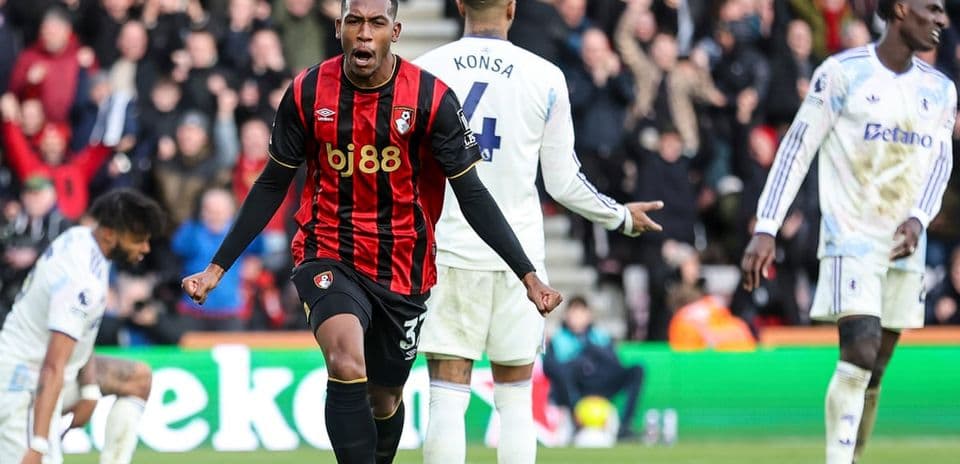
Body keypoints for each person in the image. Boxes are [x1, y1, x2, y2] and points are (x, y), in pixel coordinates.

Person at [180, 0, 562, 462]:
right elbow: (271, 183)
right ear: (339, 28)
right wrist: (219, 266)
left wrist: (527, 274)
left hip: (403, 265)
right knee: (344, 361)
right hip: (328, 250)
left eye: (376, 23)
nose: (364, 33)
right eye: (355, 22)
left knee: (385, 398)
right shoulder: (306, 92)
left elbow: (474, 196)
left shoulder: (430, 98)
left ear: (395, 31)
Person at [412, 1, 662, 462]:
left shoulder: (424, 70)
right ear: (512, 7)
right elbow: (564, 181)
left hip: (446, 251)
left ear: (459, 4)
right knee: (515, 400)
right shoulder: (545, 76)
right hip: (521, 262)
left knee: (446, 398)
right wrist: (621, 216)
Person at [740, 2, 954, 463]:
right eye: (932, 8)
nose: (943, 20)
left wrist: (919, 216)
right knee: (860, 348)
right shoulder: (841, 73)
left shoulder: (940, 90)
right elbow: (797, 147)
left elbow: (941, 164)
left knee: (876, 367)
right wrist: (768, 225)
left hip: (905, 245)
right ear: (899, 9)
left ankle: (852, 456)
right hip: (849, 237)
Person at [0, 188, 165, 464]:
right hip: (23, 385)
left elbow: (80, 334)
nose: (145, 248)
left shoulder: (79, 238)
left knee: (137, 378)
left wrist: (89, 391)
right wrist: (38, 445)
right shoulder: (81, 282)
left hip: (52, 374)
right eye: (138, 239)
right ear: (110, 234)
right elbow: (52, 365)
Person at [542, 296, 644, 441]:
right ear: (567, 316)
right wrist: (578, 360)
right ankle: (575, 422)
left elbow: (616, 364)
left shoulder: (599, 336)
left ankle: (624, 426)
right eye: (574, 314)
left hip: (600, 385)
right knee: (565, 375)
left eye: (581, 313)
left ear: (588, 315)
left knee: (637, 370)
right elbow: (551, 368)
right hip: (575, 389)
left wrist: (592, 349)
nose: (578, 318)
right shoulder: (558, 339)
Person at [58, 355, 153, 464]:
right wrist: (90, 393)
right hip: (43, 379)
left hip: (60, 372)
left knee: (139, 378)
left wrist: (90, 392)